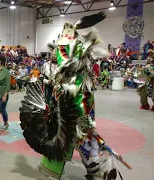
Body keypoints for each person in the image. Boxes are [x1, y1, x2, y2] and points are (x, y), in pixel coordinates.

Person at [19, 12, 129, 180]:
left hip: (78, 114)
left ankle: (105, 172)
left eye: (62, 47)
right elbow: (60, 71)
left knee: (86, 144)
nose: (58, 53)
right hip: (62, 117)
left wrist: (84, 120)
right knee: (60, 141)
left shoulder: (80, 77)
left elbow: (81, 100)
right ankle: (61, 170)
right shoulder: (61, 70)